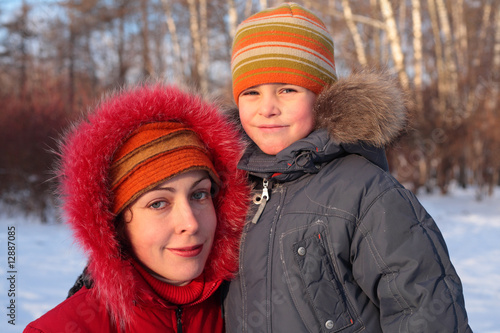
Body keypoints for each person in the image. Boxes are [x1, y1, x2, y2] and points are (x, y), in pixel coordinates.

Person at [224, 3, 472, 332]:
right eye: (252, 92)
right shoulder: (230, 186)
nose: (267, 108)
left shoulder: (366, 193)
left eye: (287, 89)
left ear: (322, 97)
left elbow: (422, 308)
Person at [23, 84, 249, 332]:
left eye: (199, 194)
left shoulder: (243, 306)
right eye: (158, 203)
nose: (190, 223)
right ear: (115, 224)